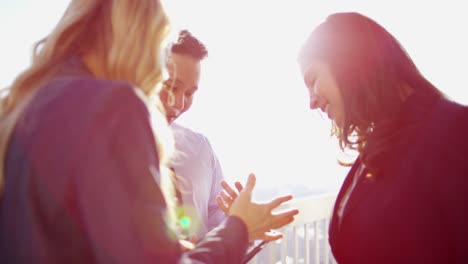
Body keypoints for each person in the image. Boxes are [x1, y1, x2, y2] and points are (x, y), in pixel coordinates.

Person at [0, 1, 299, 263]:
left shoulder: (24, 106)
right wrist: (239, 228)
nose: (171, 96)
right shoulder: (114, 107)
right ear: (143, 38)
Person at [220, 11, 468, 263]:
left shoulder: (456, 129)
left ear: (349, 61)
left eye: (313, 79)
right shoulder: (377, 150)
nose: (311, 102)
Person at [157, 30, 226, 241]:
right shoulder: (111, 148)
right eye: (171, 87)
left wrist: (235, 220)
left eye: (189, 93)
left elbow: (214, 212)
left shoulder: (200, 147)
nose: (178, 104)